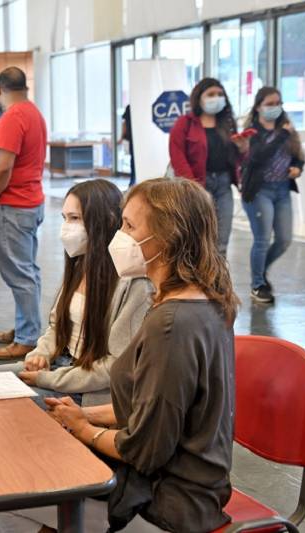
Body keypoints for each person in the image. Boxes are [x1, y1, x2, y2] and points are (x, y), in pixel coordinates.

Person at [40, 178, 238, 532]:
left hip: (165, 501)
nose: (120, 237)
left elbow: (145, 450)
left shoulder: (172, 324)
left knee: (23, 494)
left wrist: (83, 428)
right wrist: (82, 413)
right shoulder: (200, 300)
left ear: (167, 238)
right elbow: (153, 407)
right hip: (175, 484)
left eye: (129, 226)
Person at [6, 179, 151, 408]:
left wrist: (49, 378)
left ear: (106, 220)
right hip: (60, 366)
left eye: (75, 218)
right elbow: (57, 326)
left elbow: (115, 365)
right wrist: (41, 353)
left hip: (91, 391)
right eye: (64, 218)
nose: (66, 228)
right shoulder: (80, 264)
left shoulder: (133, 283)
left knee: (12, 404)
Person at [0, 66, 48, 359]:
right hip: (29, 202)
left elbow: (3, 166)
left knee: (20, 274)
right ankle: (26, 326)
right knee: (27, 271)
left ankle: (27, 337)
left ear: (0, 90)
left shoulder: (13, 118)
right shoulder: (33, 113)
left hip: (11, 205)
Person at [169, 78, 248, 255]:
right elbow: (177, 156)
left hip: (224, 185)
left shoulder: (227, 124)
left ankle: (218, 282)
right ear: (199, 98)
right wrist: (193, 186)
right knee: (197, 240)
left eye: (220, 94)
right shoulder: (185, 123)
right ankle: (198, 280)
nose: (216, 98)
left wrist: (243, 149)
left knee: (221, 241)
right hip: (196, 186)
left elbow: (237, 158)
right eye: (211, 94)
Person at [241, 87, 304, 304]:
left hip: (283, 189)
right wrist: (282, 135)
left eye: (278, 102)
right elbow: (257, 157)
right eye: (269, 103)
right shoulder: (252, 133)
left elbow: (298, 155)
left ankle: (261, 270)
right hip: (260, 191)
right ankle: (257, 285)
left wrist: (298, 167)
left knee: (285, 239)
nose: (275, 107)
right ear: (258, 106)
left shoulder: (286, 129)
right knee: (262, 239)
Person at [120, 104, 136, 187]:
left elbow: (124, 124)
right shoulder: (129, 107)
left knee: (134, 160)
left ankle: (133, 180)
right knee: (133, 160)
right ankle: (133, 180)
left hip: (140, 138)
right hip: (132, 138)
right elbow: (125, 123)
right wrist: (122, 137)